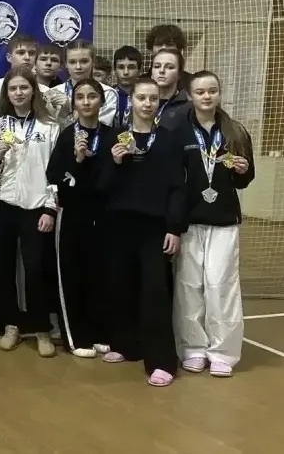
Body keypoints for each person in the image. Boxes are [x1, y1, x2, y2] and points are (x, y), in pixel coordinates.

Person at [97, 78, 184, 387]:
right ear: (131, 100)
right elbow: (102, 186)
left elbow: (177, 187)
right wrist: (114, 161)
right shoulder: (116, 137)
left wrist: (174, 227)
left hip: (153, 227)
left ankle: (162, 361)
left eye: (153, 98)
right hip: (119, 224)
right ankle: (126, 344)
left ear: (159, 102)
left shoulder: (169, 139)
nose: (147, 103)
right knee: (121, 286)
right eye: (142, 98)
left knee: (155, 291)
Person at [174, 71, 255, 377]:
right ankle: (192, 348)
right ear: (190, 96)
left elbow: (244, 180)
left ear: (220, 94)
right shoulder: (179, 131)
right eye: (200, 92)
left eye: (212, 91)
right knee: (188, 287)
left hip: (223, 220)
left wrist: (243, 170)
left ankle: (223, 352)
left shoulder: (235, 131)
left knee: (221, 285)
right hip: (189, 221)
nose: (206, 96)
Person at [0, 66, 60, 357]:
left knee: (36, 269)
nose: (19, 93)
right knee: (2, 267)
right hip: (3, 205)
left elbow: (56, 172)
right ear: (6, 93)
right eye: (13, 88)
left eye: (24, 87)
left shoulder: (49, 127)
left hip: (37, 207)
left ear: (33, 91)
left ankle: (41, 328)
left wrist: (50, 208)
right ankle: (11, 325)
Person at [46, 78, 113, 358]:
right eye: (81, 97)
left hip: (103, 215)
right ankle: (75, 337)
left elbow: (115, 177)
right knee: (72, 275)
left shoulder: (112, 135)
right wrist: (78, 160)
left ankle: (98, 332)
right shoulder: (66, 136)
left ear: (102, 101)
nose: (86, 102)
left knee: (99, 275)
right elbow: (54, 175)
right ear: (73, 102)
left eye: (92, 96)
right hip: (72, 214)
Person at [50, 40, 118, 126]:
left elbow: (100, 127)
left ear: (93, 62)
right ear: (66, 64)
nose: (78, 67)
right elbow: (49, 129)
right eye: (72, 62)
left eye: (84, 61)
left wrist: (70, 109)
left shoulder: (107, 93)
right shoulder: (54, 92)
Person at [151, 48, 190, 130]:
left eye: (169, 67)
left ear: (179, 74)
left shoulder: (189, 106)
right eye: (157, 66)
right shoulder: (139, 102)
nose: (161, 71)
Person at [145, 23, 193, 89]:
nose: (164, 47)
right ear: (151, 50)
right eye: (158, 44)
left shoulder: (192, 82)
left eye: (169, 44)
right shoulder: (140, 81)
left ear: (179, 49)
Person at [111, 45, 142, 127]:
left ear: (140, 70)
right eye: (121, 67)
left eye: (131, 67)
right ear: (114, 70)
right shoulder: (108, 96)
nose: (126, 72)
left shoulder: (146, 97)